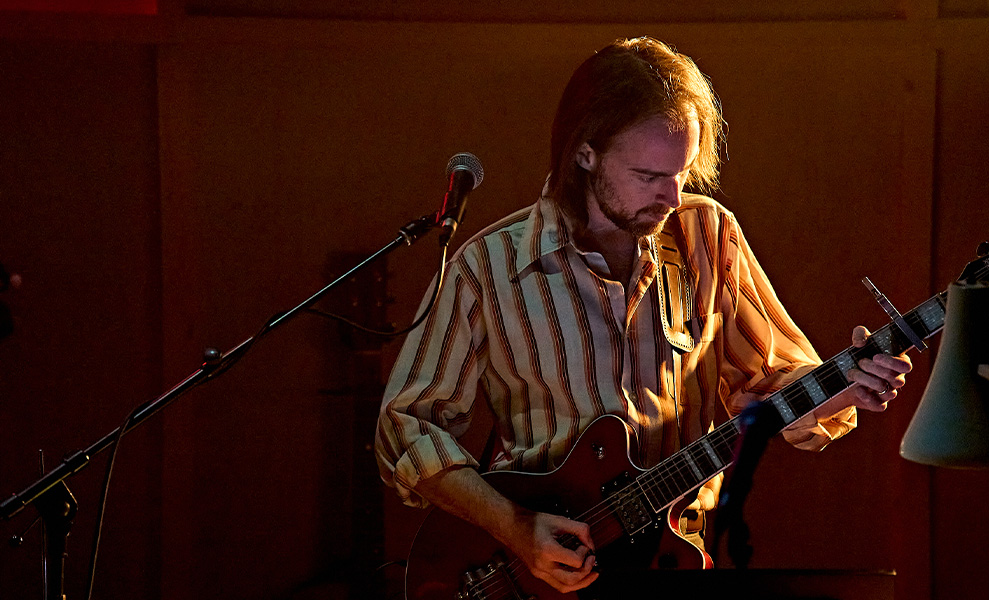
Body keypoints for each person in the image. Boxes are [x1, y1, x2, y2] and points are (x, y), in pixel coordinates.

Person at [375, 37, 913, 594]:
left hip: (676, 557)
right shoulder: (488, 267)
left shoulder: (708, 235)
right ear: (585, 153)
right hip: (536, 572)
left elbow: (771, 383)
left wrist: (841, 389)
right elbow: (407, 426)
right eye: (649, 177)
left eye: (682, 173)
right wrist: (515, 527)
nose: (673, 197)